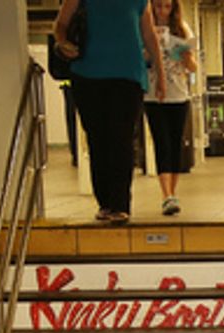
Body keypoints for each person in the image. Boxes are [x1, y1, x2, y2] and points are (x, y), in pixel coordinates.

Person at [55, 0, 166, 226]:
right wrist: (63, 42)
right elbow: (61, 24)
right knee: (97, 139)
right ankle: (105, 202)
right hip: (87, 75)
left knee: (122, 139)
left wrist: (161, 74)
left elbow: (149, 34)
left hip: (128, 76)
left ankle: (120, 204)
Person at [144, 0, 197, 216]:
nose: (162, 12)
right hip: (153, 96)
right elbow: (139, 59)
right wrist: (151, 50)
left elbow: (193, 66)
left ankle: (172, 193)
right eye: (158, 7)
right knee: (162, 142)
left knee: (175, 144)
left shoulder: (182, 29)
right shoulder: (144, 27)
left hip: (178, 94)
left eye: (167, 7)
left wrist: (186, 57)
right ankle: (166, 195)